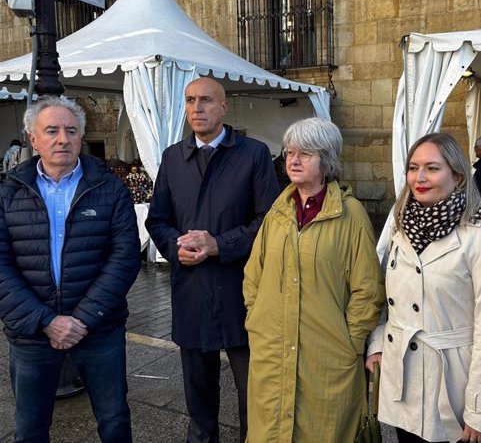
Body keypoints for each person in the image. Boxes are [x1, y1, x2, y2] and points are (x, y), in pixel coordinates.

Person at [146, 77, 279, 443]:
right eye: (189, 100)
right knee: (198, 398)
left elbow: (269, 221)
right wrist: (175, 247)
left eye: (206, 100)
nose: (196, 108)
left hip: (242, 292)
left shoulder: (253, 154)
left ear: (224, 106)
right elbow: (157, 219)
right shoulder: (173, 157)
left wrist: (219, 244)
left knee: (253, 394)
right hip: (190, 290)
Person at [0, 96, 140, 442]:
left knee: (114, 421)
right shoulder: (8, 194)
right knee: (30, 428)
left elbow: (124, 257)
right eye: (52, 130)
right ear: (33, 139)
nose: (62, 138)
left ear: (80, 136)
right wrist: (46, 320)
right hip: (32, 333)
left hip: (99, 330)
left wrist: (83, 318)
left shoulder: (109, 189)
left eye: (71, 131)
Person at [366, 132, 481, 443]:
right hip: (403, 383)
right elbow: (389, 298)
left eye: (432, 168)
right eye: (413, 167)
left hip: (453, 391)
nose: (419, 177)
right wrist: (379, 343)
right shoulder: (400, 226)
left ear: (458, 175)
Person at [243, 117, 385, 442]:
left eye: (305, 153)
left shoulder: (352, 216)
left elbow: (367, 289)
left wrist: (351, 341)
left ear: (327, 160)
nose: (293, 159)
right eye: (290, 152)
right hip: (272, 351)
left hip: (327, 357)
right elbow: (254, 275)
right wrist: (257, 322)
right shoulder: (277, 213)